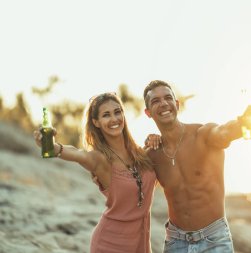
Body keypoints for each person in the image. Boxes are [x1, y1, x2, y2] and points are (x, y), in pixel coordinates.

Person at [33, 92, 161, 253]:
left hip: (141, 245)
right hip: (109, 244)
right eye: (106, 115)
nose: (114, 119)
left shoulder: (141, 154)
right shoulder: (99, 159)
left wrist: (156, 139)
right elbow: (76, 153)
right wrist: (52, 146)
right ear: (96, 122)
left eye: (117, 112)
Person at [143, 80, 251, 253]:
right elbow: (128, 176)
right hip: (175, 242)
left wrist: (241, 125)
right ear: (148, 112)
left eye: (168, 98)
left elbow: (223, 132)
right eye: (155, 101)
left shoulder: (202, 135)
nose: (164, 103)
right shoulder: (153, 154)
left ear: (177, 104)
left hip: (214, 240)